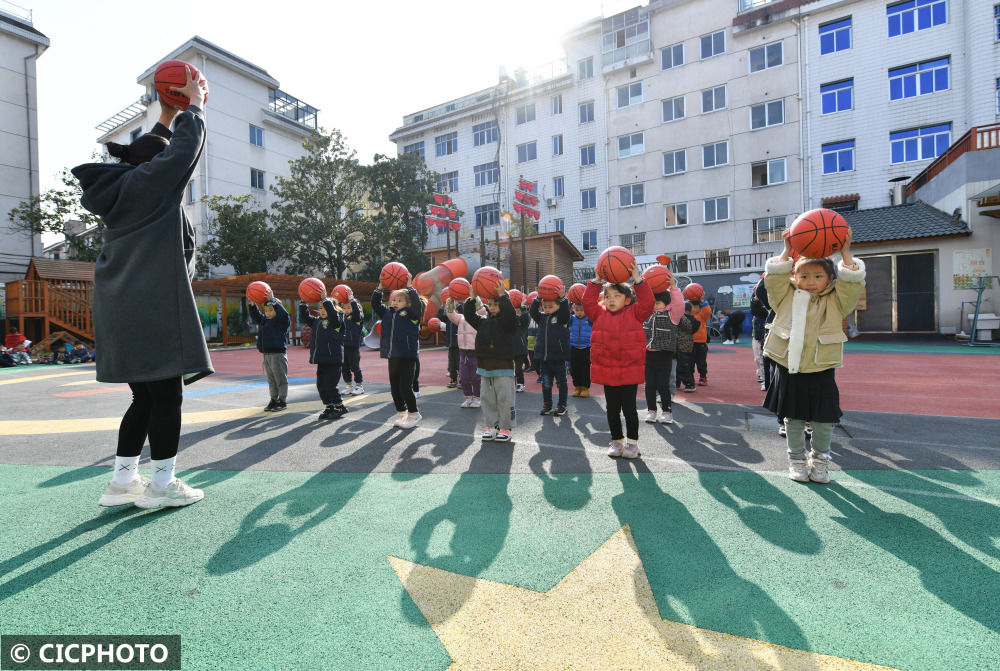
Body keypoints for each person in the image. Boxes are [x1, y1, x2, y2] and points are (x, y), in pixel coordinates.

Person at [72, 70, 212, 509]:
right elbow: (181, 155)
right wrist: (195, 105)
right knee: (168, 395)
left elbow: (152, 151)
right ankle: (162, 485)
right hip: (151, 304)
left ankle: (121, 482)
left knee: (142, 398)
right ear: (154, 167)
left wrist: (166, 114)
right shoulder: (154, 186)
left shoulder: (124, 187)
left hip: (119, 307)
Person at [763, 229, 865, 484]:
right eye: (804, 275)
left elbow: (851, 284)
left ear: (830, 279)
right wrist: (787, 251)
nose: (810, 280)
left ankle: (820, 462)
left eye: (818, 276)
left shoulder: (837, 300)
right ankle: (796, 460)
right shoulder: (784, 296)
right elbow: (774, 279)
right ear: (794, 277)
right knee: (793, 420)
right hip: (790, 368)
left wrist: (845, 252)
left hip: (821, 370)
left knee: (824, 421)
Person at [584, 264, 654, 458]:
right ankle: (616, 441)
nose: (611, 300)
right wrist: (595, 282)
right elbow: (587, 302)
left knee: (630, 409)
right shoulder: (598, 313)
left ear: (627, 299)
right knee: (612, 409)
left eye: (616, 296)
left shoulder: (635, 313)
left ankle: (632, 444)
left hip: (629, 370)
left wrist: (638, 281)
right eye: (607, 296)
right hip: (608, 370)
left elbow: (648, 303)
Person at [464, 284, 517, 442]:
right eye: (491, 305)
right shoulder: (483, 322)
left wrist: (503, 296)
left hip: (503, 368)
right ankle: (491, 426)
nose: (493, 308)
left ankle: (505, 428)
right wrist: (472, 299)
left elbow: (510, 315)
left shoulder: (508, 324)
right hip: (485, 368)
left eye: (496, 305)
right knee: (487, 400)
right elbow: (469, 315)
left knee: (505, 400)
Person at [372, 278, 423, 429]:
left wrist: (410, 288)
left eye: (399, 300)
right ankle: (402, 414)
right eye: (393, 299)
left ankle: (414, 414)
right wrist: (380, 288)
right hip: (392, 356)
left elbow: (418, 306)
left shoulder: (412, 315)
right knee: (394, 388)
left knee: (405, 387)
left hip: (407, 356)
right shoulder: (387, 313)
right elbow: (375, 304)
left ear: (407, 304)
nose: (395, 302)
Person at [298, 291, 348, 420]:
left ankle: (340, 407)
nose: (323, 310)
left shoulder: (337, 322)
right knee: (321, 386)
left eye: (326, 307)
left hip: (333, 360)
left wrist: (325, 299)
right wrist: (303, 303)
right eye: (320, 308)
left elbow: (333, 315)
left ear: (334, 308)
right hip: (322, 360)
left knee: (330, 386)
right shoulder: (317, 322)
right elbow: (305, 317)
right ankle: (329, 406)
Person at [642, 283, 684, 424]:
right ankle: (651, 411)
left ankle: (667, 412)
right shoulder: (647, 315)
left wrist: (673, 287)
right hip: (648, 355)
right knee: (649, 385)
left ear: (666, 303)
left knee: (663, 385)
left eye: (658, 303)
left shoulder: (672, 316)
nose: (654, 306)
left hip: (664, 355)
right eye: (653, 303)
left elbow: (679, 304)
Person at [529, 291, 570, 416]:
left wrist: (563, 298)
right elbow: (533, 312)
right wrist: (538, 298)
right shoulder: (541, 318)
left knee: (561, 383)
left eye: (551, 307)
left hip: (558, 358)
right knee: (546, 383)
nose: (547, 309)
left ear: (558, 306)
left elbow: (565, 312)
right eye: (545, 307)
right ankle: (547, 404)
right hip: (544, 359)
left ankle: (562, 405)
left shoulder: (561, 318)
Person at [250, 289, 290, 412]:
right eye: (266, 310)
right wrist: (253, 304)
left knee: (280, 379)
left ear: (276, 310)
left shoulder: (280, 322)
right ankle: (273, 400)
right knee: (271, 380)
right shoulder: (264, 321)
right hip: (266, 355)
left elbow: (284, 315)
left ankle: (282, 401)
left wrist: (274, 301)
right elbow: (256, 315)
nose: (267, 313)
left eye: (271, 310)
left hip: (277, 355)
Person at [445, 296, 482, 409]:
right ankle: (468, 398)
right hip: (463, 353)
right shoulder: (460, 318)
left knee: (476, 378)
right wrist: (450, 302)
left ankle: (477, 398)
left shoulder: (480, 317)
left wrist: (476, 299)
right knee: (464, 378)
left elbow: (482, 310)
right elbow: (451, 314)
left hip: (475, 353)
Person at [339, 288, 365, 395]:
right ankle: (349, 386)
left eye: (349, 307)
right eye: (344, 308)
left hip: (353, 347)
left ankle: (359, 386)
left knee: (355, 367)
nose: (346, 310)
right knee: (344, 368)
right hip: (343, 347)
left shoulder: (357, 318)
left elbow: (356, 312)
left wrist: (352, 299)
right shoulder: (343, 318)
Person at [569, 302, 593, 398]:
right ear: (573, 309)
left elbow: (594, 312)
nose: (579, 312)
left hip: (586, 348)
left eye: (582, 310)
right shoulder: (571, 319)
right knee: (575, 369)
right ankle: (577, 387)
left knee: (585, 370)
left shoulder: (589, 319)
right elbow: (565, 313)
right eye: (577, 310)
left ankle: (585, 388)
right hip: (574, 347)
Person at [749, 277, 770, 389]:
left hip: (769, 330)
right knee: (758, 357)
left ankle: (765, 378)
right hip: (759, 333)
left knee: (766, 357)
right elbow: (755, 312)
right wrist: (756, 299)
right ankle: (762, 376)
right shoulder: (756, 295)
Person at [676, 302, 698, 392]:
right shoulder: (681, 318)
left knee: (683, 366)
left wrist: (679, 314)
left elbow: (689, 327)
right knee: (675, 366)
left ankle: (690, 383)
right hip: (678, 345)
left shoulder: (691, 320)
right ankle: (676, 382)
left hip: (684, 346)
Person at [691, 299, 713, 385]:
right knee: (689, 362)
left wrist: (704, 302)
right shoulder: (687, 315)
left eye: (696, 307)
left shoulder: (702, 315)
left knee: (701, 362)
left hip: (701, 343)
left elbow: (707, 311)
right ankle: (690, 378)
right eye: (692, 307)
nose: (694, 309)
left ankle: (703, 377)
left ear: (700, 309)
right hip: (689, 343)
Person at [512, 301, 531, 393]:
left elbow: (525, 317)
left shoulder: (522, 323)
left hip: (520, 350)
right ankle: (511, 384)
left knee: (518, 369)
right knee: (510, 370)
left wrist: (522, 308)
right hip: (510, 349)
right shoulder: (510, 323)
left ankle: (520, 384)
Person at [444, 308, 460, 388]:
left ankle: (462, 380)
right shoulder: (448, 317)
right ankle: (453, 379)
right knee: (451, 363)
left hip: (459, 344)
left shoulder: (460, 318)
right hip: (451, 344)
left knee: (459, 363)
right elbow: (441, 317)